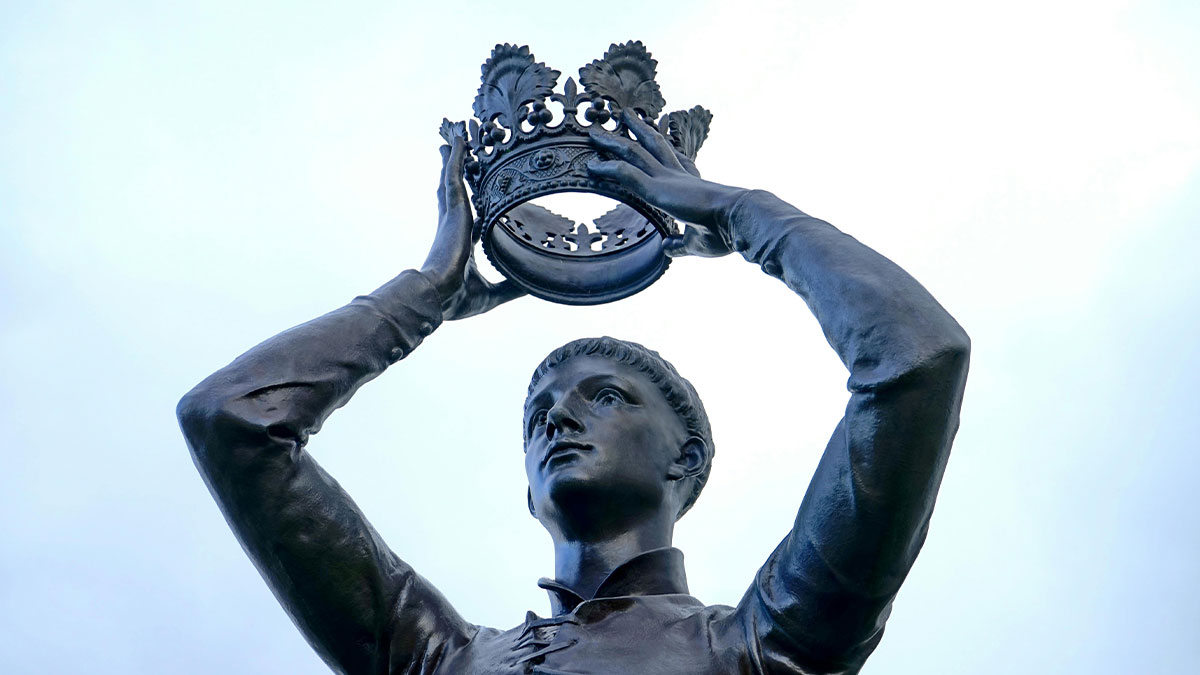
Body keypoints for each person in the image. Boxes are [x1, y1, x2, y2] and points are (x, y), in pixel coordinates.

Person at [177, 110, 970, 675]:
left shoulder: (761, 644)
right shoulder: (437, 656)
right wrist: (420, 296)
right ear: (528, 494)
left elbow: (917, 360)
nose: (558, 413)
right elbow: (233, 420)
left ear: (685, 460)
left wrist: (744, 216)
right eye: (538, 412)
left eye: (607, 397)